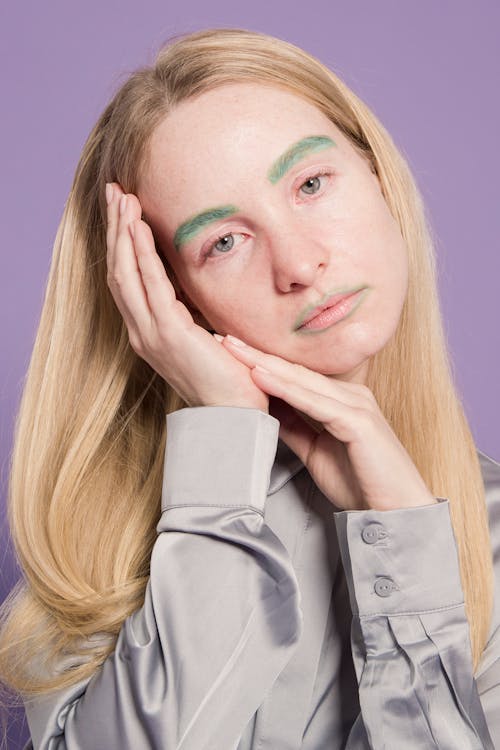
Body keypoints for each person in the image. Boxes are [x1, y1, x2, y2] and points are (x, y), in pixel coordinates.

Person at [0, 26, 499, 750]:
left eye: (310, 184)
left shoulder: (490, 525)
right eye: (223, 242)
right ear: (171, 301)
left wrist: (403, 539)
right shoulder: (93, 542)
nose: (298, 263)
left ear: (378, 175)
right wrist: (225, 434)